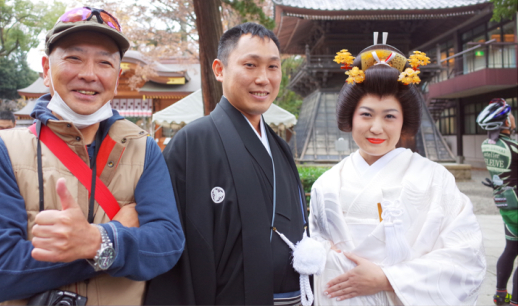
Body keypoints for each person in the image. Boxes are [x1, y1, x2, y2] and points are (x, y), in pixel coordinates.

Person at [0, 7, 184, 305]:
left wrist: (92, 241)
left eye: (105, 62)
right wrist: (107, 240)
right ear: (46, 70)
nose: (89, 74)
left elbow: (167, 246)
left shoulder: (143, 149)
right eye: (74, 58)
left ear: (118, 76)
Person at [309, 40, 486, 305]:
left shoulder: (436, 180)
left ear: (404, 121)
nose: (376, 128)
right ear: (351, 117)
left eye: (389, 116)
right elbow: (314, 250)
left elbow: (466, 257)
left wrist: (387, 278)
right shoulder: (326, 185)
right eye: (366, 114)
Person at [145, 23, 309, 305]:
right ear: (219, 70)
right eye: (250, 65)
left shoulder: (279, 147)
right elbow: (175, 250)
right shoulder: (192, 143)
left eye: (273, 67)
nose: (263, 78)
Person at [478, 99, 518, 306]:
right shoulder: (513, 146)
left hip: (505, 204)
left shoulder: (488, 144)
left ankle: (500, 294)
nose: (513, 118)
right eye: (510, 115)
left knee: (511, 249)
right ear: (503, 122)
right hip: (517, 202)